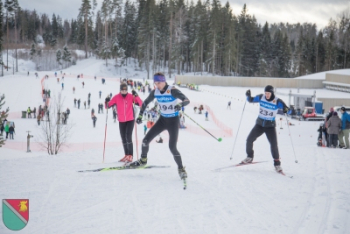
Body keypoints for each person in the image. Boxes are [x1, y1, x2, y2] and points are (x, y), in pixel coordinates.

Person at [129, 72, 190, 180]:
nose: (157, 85)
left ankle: (181, 169)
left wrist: (180, 104)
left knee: (172, 148)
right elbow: (145, 103)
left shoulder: (172, 90)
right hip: (162, 120)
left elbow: (186, 100)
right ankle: (143, 160)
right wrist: (140, 115)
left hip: (173, 121)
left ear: (164, 81)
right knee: (145, 141)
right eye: (155, 83)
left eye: (159, 82)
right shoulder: (155, 92)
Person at [242, 85, 289, 173]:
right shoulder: (261, 97)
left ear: (272, 93)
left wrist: (288, 110)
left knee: (274, 145)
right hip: (259, 124)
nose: (267, 95)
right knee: (249, 139)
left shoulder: (277, 101)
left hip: (270, 126)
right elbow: (250, 100)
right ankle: (249, 157)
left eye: (268, 93)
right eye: (266, 93)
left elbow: (287, 110)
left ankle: (277, 164)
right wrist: (248, 96)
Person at [108, 83, 143, 162]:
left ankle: (130, 155)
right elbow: (108, 106)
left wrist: (136, 95)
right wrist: (106, 101)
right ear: (120, 90)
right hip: (121, 120)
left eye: (125, 90)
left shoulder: (131, 96)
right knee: (123, 138)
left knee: (128, 136)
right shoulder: (116, 97)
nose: (124, 91)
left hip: (130, 119)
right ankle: (126, 155)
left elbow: (140, 103)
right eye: (122, 90)